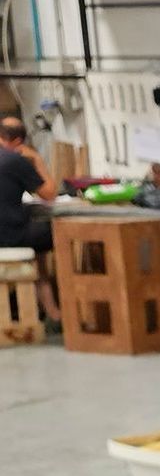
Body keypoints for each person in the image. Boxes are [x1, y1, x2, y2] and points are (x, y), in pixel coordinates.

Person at [0, 114, 59, 324]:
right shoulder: (14, 159)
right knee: (49, 233)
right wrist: (37, 159)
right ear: (18, 141)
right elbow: (49, 194)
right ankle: (51, 307)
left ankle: (46, 306)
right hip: (8, 235)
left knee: (35, 233)